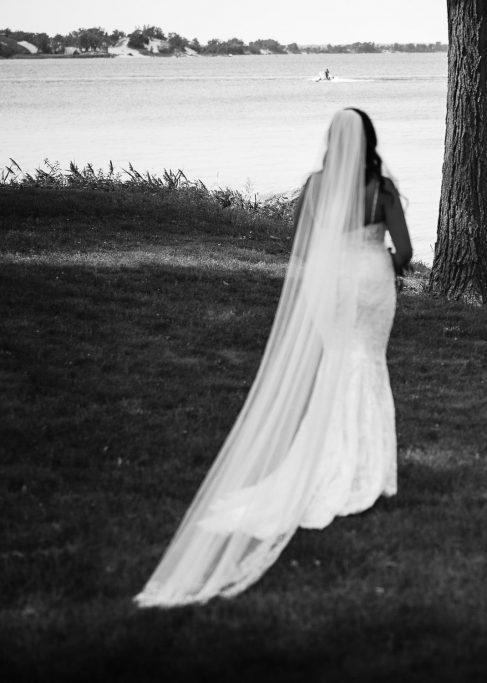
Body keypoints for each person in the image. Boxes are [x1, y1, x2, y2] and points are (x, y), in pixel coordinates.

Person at [135, 108, 412, 607]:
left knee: (337, 363)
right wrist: (380, 263)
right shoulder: (383, 189)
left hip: (329, 284)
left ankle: (334, 458)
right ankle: (368, 467)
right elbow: (407, 251)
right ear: (370, 140)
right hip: (372, 282)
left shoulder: (317, 184)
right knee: (368, 363)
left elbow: (304, 246)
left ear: (334, 140)